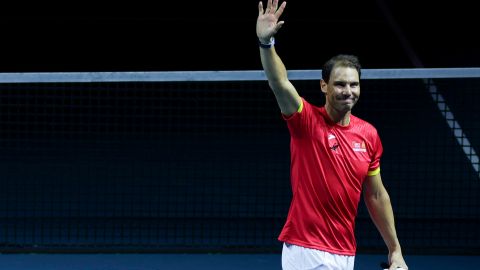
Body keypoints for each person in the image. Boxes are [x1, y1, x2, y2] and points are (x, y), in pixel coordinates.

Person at [256, 1, 409, 269]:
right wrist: (266, 44)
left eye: (354, 84)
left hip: (345, 251)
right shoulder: (306, 121)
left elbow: (375, 195)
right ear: (324, 85)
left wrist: (394, 249)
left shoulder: (368, 135)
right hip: (306, 248)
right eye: (339, 84)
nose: (347, 90)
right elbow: (279, 82)